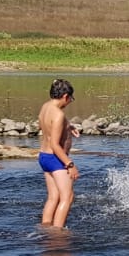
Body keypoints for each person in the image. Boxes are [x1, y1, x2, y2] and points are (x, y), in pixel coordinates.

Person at [38, 79, 80, 229]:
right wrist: (70, 164)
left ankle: (45, 227)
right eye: (70, 99)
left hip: (44, 157)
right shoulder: (58, 115)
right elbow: (55, 145)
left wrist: (68, 126)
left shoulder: (46, 107)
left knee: (53, 197)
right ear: (65, 96)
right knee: (67, 197)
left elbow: (47, 125)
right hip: (55, 159)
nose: (69, 102)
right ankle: (57, 233)